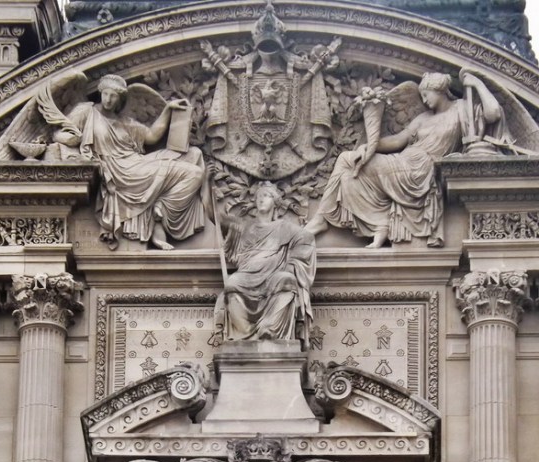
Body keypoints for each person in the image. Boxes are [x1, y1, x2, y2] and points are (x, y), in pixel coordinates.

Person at [306, 71, 504, 248]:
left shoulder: (462, 108)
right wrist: (370, 145)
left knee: (346, 160)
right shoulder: (423, 118)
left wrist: (477, 83)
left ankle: (321, 218)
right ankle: (379, 223)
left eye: (426, 95)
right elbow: (397, 140)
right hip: (404, 162)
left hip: (419, 170)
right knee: (350, 172)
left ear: (439, 90)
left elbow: (493, 113)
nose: (424, 101)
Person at [54, 74, 207, 250]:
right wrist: (73, 139)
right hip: (120, 170)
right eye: (105, 94)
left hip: (135, 162)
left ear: (120, 99)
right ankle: (159, 215)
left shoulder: (125, 122)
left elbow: (151, 136)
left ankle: (158, 209)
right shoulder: (86, 112)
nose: (108, 100)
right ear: (100, 93)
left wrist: (168, 110)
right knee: (194, 173)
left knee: (194, 155)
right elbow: (57, 133)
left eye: (114, 96)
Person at [213, 182, 316, 347]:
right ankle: (244, 333)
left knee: (287, 279)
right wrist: (206, 183)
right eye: (259, 196)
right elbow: (215, 216)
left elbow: (307, 239)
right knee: (231, 283)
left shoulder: (286, 228)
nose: (261, 200)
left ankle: (270, 327)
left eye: (266, 196)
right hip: (246, 275)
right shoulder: (243, 226)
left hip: (273, 276)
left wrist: (291, 262)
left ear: (275, 202)